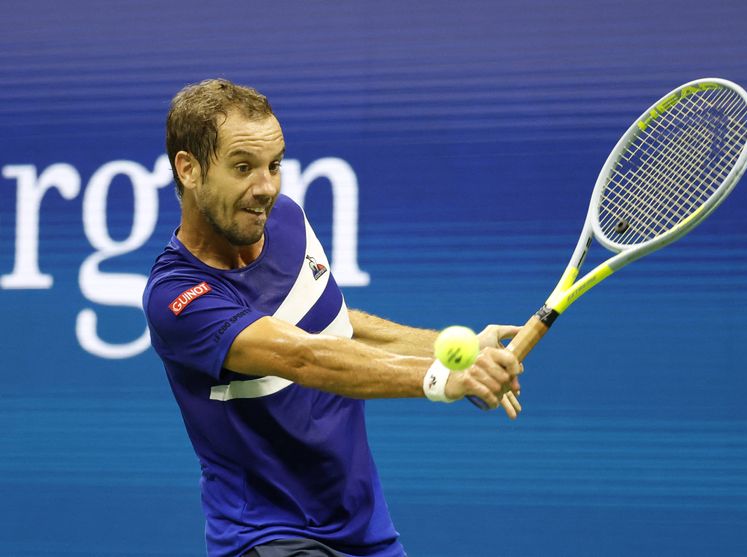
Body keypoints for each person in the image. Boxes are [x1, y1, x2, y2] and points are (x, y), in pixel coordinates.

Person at [143, 78, 523, 557]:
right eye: (243, 168)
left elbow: (334, 325)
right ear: (189, 169)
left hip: (364, 531)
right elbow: (305, 357)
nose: (265, 188)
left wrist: (449, 349)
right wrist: (441, 376)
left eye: (274, 165)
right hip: (270, 538)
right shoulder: (179, 298)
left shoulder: (286, 221)